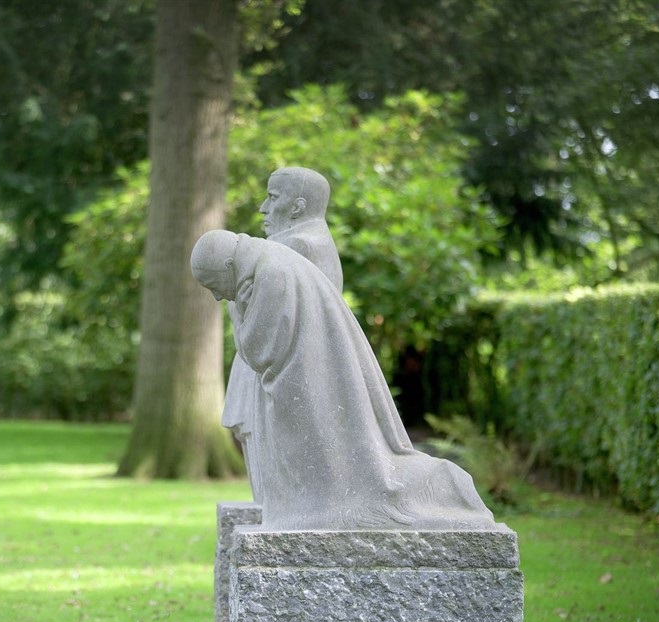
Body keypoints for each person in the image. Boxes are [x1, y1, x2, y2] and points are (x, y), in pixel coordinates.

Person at [193, 230, 496, 531]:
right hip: (308, 389)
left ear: (229, 266)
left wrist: (237, 314)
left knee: (352, 482)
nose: (218, 295)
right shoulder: (268, 265)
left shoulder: (271, 273)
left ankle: (445, 486)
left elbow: (258, 352)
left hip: (310, 394)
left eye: (214, 285)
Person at [223, 167, 342, 501]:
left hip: (279, 373)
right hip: (268, 370)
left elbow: (268, 325)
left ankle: (278, 509)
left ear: (298, 207)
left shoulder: (298, 246)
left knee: (274, 476)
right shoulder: (298, 244)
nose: (262, 207)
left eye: (272, 198)